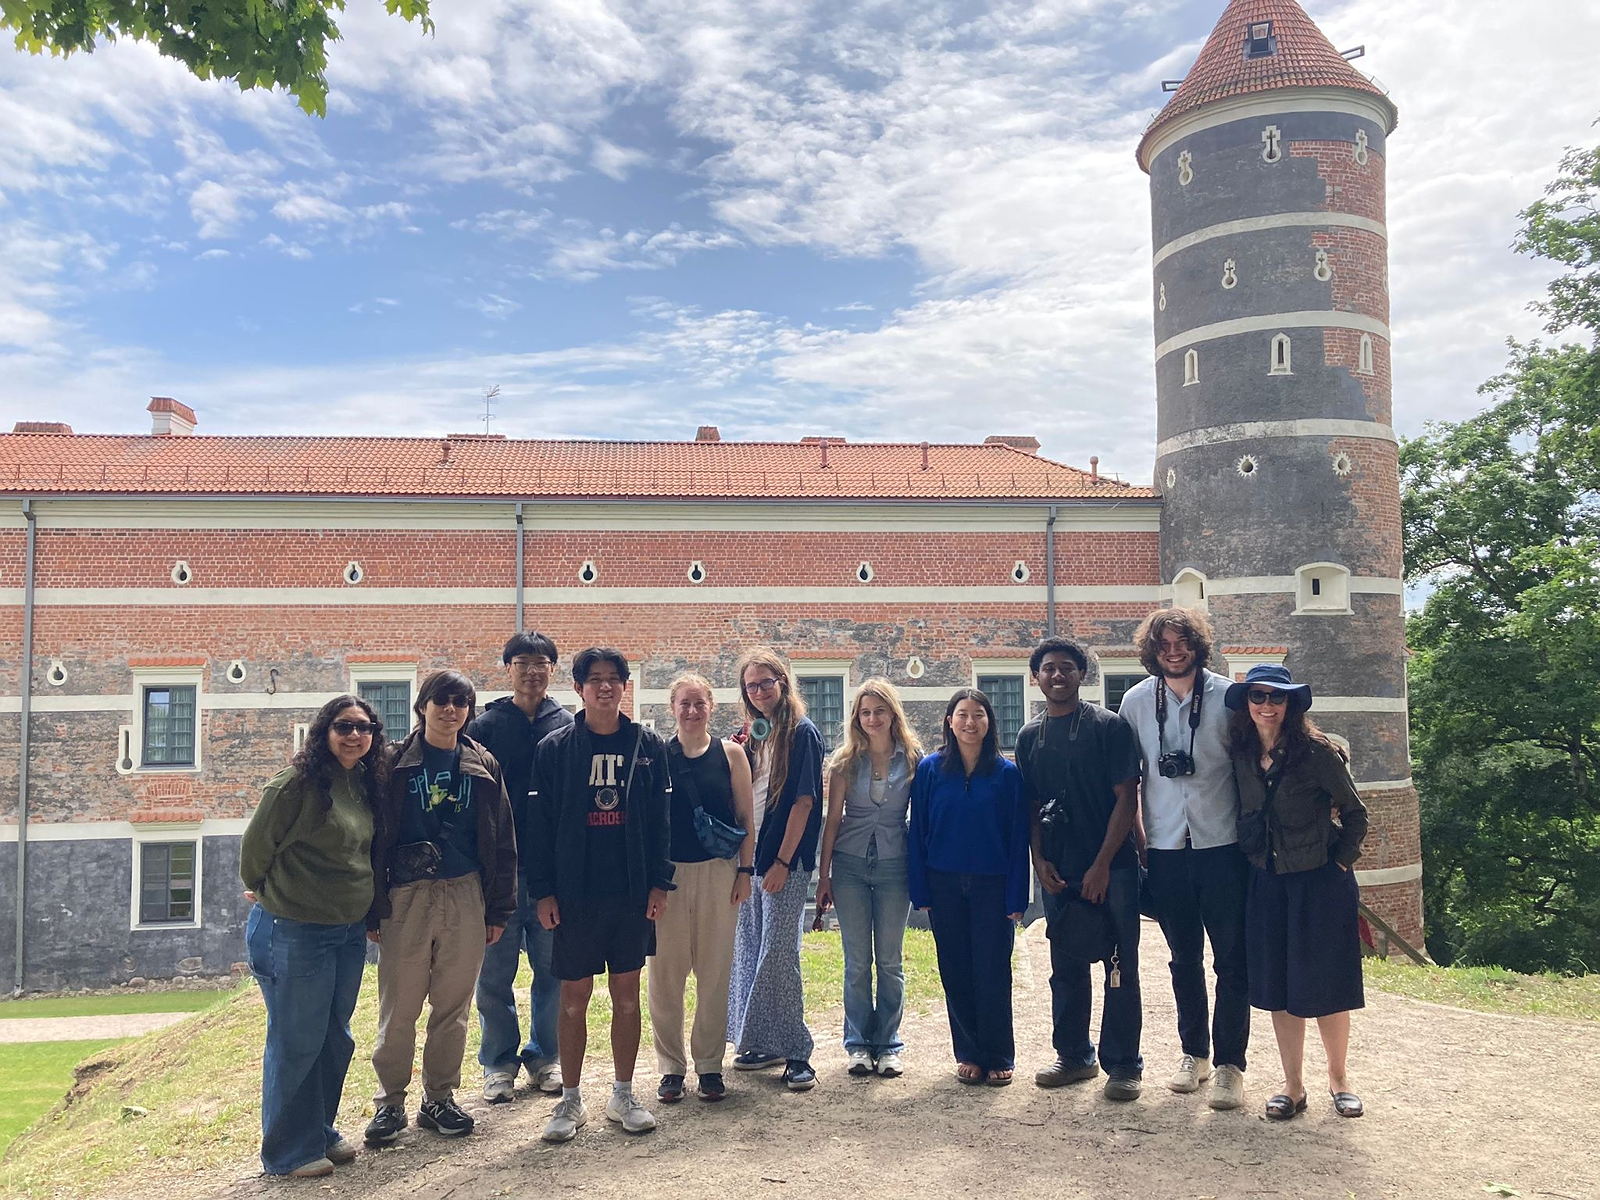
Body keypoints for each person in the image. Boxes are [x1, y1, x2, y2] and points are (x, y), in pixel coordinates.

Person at [365, 670, 517, 1146]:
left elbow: (503, 838)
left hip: (466, 891)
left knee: (453, 1006)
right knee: (400, 1005)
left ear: (469, 711)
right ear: (423, 706)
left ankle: (439, 1098)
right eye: (441, 700)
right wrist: (374, 907)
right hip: (407, 894)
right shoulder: (393, 764)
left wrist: (498, 910)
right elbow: (373, 839)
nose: (450, 710)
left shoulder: (483, 763)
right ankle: (390, 1102)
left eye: (460, 702)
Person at [528, 647, 674, 1142]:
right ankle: (569, 1101)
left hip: (630, 894)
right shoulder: (555, 749)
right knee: (573, 998)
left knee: (627, 996)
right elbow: (539, 828)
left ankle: (623, 1093)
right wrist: (543, 892)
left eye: (614, 678)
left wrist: (660, 882)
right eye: (596, 679)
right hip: (574, 896)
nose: (605, 686)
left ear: (625, 685)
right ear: (579, 688)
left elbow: (661, 824)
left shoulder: (646, 745)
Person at [241, 695, 387, 1178]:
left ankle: (318, 1130)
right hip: (294, 930)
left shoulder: (363, 783)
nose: (354, 735)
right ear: (324, 731)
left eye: (364, 728)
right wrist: (273, 894)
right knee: (297, 1038)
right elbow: (254, 854)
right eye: (344, 726)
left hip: (345, 931)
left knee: (333, 1037)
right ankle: (287, 1152)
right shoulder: (294, 786)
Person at [1118, 608, 1249, 1109]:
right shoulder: (1133, 702)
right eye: (1163, 644)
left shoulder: (1230, 697)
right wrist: (1138, 839)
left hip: (1222, 845)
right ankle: (1193, 1053)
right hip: (1166, 848)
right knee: (1183, 961)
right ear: (1151, 651)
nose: (1173, 651)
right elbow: (1131, 778)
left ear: (1198, 645)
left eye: (1182, 642)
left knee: (1232, 961)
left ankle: (1230, 1064)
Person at [1225, 665, 1369, 1122]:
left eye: (1276, 698)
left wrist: (1340, 862)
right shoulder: (1242, 753)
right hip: (1267, 880)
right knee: (1279, 986)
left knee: (1327, 981)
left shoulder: (1318, 753)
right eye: (1258, 697)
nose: (1266, 706)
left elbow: (1355, 813)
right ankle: (1292, 1085)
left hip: (1319, 880)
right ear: (1247, 704)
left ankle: (1339, 1079)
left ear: (1291, 705)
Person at [1018, 638, 1145, 1101]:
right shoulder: (1030, 736)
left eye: (1066, 668)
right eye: (1048, 668)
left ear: (1081, 675)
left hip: (1112, 868)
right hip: (1059, 869)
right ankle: (1074, 1056)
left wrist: (1103, 865)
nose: (1057, 675)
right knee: (1065, 963)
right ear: (1036, 678)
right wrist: (1039, 860)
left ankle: (1124, 1064)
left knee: (1119, 965)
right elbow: (1030, 807)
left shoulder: (1109, 728)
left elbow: (1126, 798)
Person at [469, 631, 574, 1103]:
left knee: (552, 969)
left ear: (553, 669)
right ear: (507, 668)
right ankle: (498, 1063)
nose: (533, 671)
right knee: (494, 973)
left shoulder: (567, 723)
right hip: (498, 873)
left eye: (542, 663)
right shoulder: (486, 725)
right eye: (523, 662)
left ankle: (545, 1057)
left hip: (552, 870)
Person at [908, 688, 1030, 1086]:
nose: (970, 722)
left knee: (993, 970)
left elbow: (1018, 839)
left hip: (992, 886)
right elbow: (918, 830)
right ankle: (968, 1053)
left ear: (989, 722)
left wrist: (1017, 896)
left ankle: (998, 1053)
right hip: (943, 883)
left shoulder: (1007, 773)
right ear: (949, 721)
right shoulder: (929, 770)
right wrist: (920, 888)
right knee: (956, 969)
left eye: (978, 715)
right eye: (962, 714)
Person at [648, 673, 756, 1104]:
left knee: (715, 973)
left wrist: (745, 871)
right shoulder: (657, 755)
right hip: (669, 876)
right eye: (684, 704)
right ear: (672, 708)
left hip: (719, 872)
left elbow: (746, 817)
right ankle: (670, 1067)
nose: (692, 711)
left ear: (711, 707)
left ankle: (710, 1065)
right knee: (665, 976)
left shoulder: (731, 755)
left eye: (699, 704)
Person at [727, 646, 824, 1091]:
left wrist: (784, 861)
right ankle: (762, 1041)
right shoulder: (751, 734)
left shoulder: (801, 732)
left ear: (783, 683)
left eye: (767, 682)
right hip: (752, 859)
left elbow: (804, 801)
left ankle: (797, 1052)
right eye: (752, 685)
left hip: (784, 860)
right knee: (750, 949)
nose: (760, 690)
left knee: (780, 954)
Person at [816, 678, 923, 1078]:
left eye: (879, 711)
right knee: (857, 961)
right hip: (850, 866)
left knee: (890, 961)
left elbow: (923, 818)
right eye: (865, 712)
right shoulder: (845, 762)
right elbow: (832, 822)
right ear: (856, 718)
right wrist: (823, 874)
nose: (872, 718)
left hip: (897, 864)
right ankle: (859, 1043)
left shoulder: (913, 759)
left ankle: (890, 1044)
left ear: (892, 714)